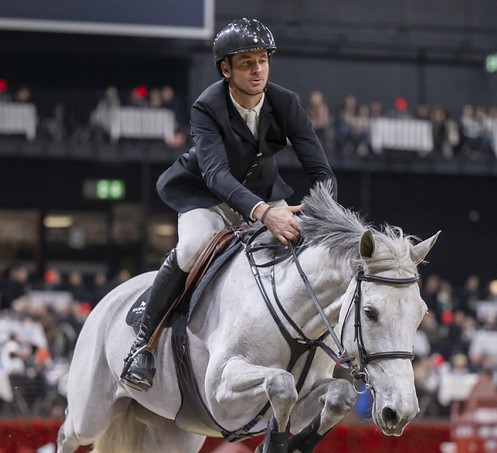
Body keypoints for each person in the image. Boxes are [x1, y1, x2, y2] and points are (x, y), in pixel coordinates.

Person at [120, 18, 338, 392]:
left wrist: (322, 214)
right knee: (191, 247)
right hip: (206, 193)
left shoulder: (285, 102)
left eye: (263, 60)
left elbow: (320, 169)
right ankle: (143, 344)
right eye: (247, 62)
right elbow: (217, 175)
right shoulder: (206, 107)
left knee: (305, 251)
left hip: (263, 193)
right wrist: (265, 213)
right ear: (226, 69)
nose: (257, 70)